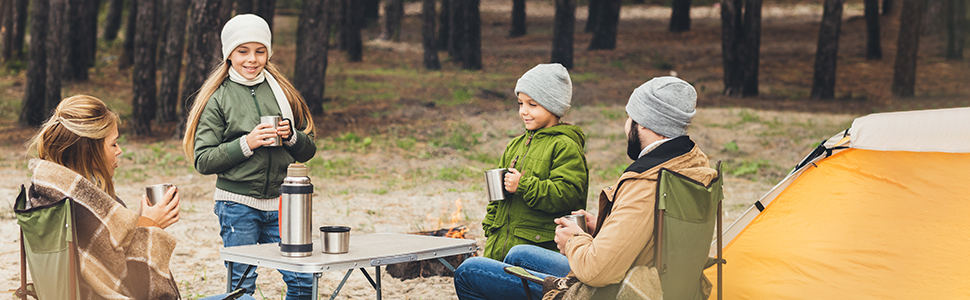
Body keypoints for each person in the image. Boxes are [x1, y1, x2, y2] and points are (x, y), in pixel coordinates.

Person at [455, 76, 718, 299]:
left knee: (469, 272)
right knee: (518, 254)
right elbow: (653, 236)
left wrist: (574, 240)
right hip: (658, 281)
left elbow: (598, 271)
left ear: (648, 124)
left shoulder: (647, 182)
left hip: (616, 291)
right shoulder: (692, 166)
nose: (626, 126)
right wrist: (601, 228)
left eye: (630, 118)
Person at [24, 95, 252, 300]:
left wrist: (138, 225)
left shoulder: (49, 197)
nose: (119, 150)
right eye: (113, 143)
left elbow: (111, 267)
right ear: (87, 150)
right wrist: (150, 227)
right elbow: (140, 291)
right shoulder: (83, 212)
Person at [181, 14, 317, 299]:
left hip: (283, 205)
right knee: (242, 289)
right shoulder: (218, 98)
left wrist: (292, 136)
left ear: (268, 52)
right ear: (229, 54)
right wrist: (247, 143)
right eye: (243, 51)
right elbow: (203, 160)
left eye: (260, 51)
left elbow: (309, 149)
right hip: (237, 206)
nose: (252, 59)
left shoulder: (282, 92)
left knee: (304, 281)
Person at [481, 63, 589, 262]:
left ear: (553, 106)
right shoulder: (514, 145)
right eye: (520, 103)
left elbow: (568, 195)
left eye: (532, 104)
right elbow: (496, 199)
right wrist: (490, 226)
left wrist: (523, 185)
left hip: (537, 249)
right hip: (500, 245)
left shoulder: (565, 146)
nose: (523, 111)